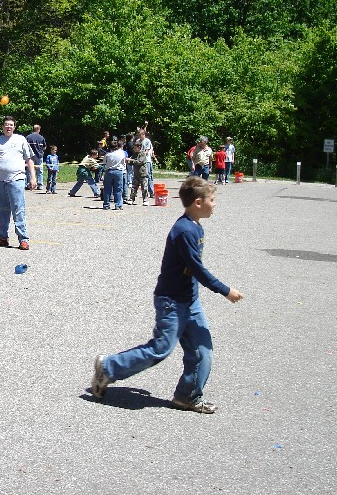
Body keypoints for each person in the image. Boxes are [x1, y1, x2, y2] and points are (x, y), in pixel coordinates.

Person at [91, 176, 244, 413]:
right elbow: (197, 269)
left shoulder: (195, 226)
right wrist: (225, 291)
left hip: (189, 300)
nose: (215, 204)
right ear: (198, 202)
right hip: (171, 302)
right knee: (160, 349)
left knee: (202, 351)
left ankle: (187, 396)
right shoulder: (184, 231)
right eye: (212, 200)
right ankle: (108, 367)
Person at [0, 116, 36, 250]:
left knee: (18, 209)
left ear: (14, 127)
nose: (8, 127)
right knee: (3, 210)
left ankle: (23, 239)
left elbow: (29, 159)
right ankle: (2, 237)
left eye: (11, 125)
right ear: (2, 127)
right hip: (0, 179)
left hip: (17, 179)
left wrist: (33, 177)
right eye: (6, 125)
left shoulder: (20, 139)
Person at [102, 138, 127, 210]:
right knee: (118, 189)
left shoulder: (107, 155)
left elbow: (104, 163)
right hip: (119, 171)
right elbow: (123, 161)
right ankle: (118, 205)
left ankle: (106, 204)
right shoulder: (121, 153)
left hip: (109, 171)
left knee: (107, 189)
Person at [25, 124, 46, 190]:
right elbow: (44, 147)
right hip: (39, 156)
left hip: (30, 157)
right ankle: (40, 185)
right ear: (38, 129)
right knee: (40, 171)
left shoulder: (28, 137)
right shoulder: (41, 138)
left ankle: (29, 184)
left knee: (29, 170)